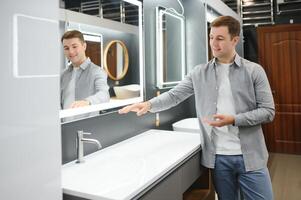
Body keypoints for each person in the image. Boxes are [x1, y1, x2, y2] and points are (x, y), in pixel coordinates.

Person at [119, 16, 275, 200]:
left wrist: (234, 120)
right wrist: (148, 104)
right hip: (218, 158)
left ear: (235, 40)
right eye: (211, 37)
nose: (213, 43)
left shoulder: (254, 71)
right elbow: (175, 95)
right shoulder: (199, 73)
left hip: (251, 156)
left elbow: (268, 111)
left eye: (220, 38)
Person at [60, 30, 110, 109]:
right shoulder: (63, 74)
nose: (71, 51)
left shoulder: (97, 72)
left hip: (86, 121)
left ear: (84, 46)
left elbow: (104, 95)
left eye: (74, 46)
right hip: (64, 121)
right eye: (66, 48)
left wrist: (87, 102)